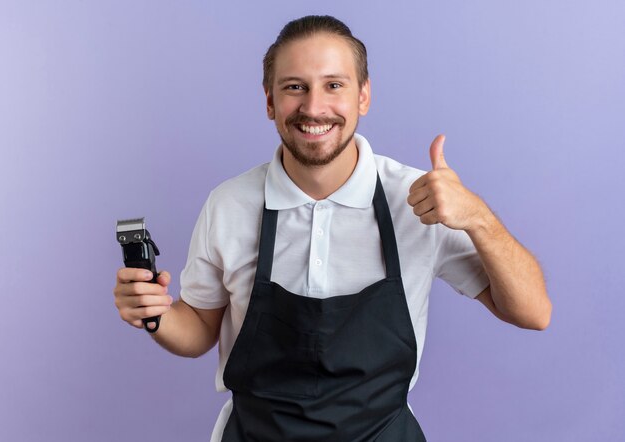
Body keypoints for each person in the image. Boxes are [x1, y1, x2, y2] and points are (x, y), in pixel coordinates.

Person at [113, 15, 551, 441]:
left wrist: (478, 217)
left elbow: (533, 312)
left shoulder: (417, 199)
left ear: (363, 96)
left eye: (333, 85)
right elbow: (199, 330)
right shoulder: (229, 205)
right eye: (294, 87)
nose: (313, 107)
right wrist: (157, 316)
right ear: (269, 101)